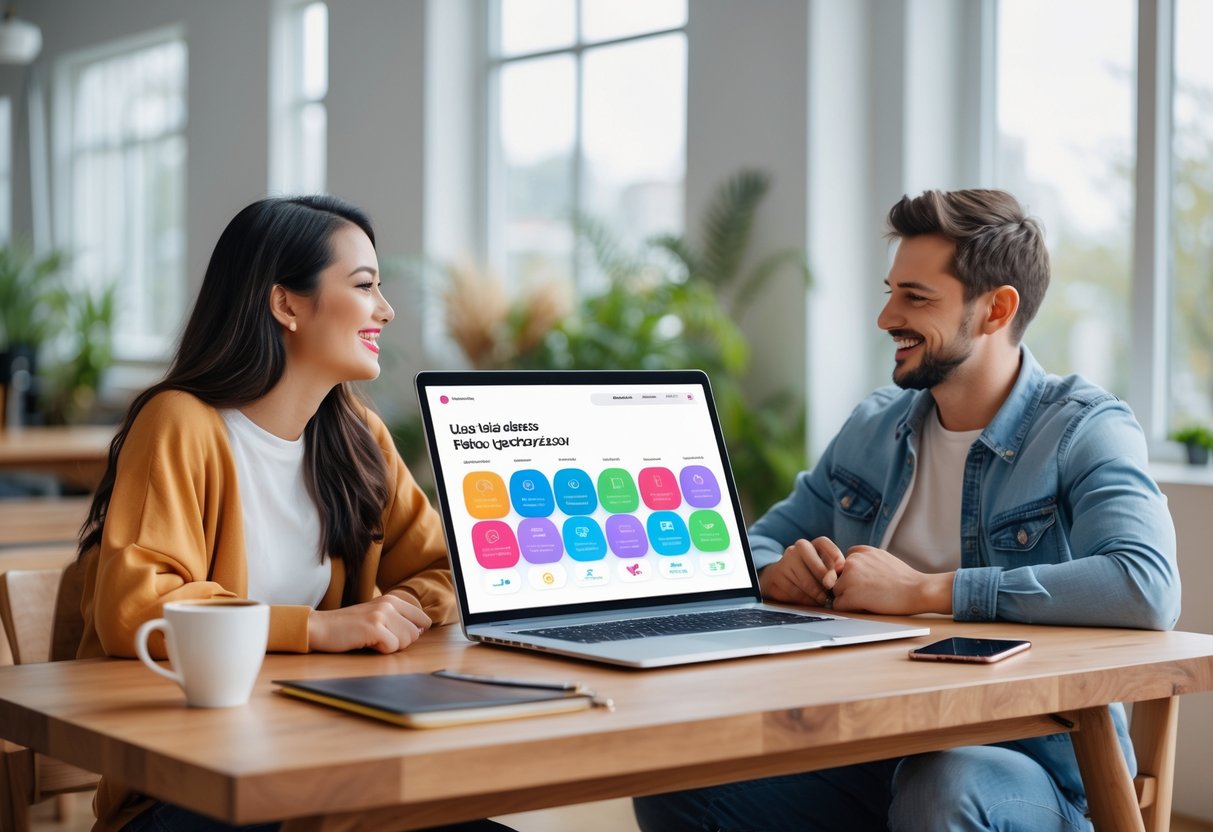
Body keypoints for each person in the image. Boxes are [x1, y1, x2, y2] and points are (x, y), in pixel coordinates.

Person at [633, 188, 1181, 832]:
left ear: (995, 309)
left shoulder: (1083, 427)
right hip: (871, 747)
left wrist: (924, 590)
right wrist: (773, 571)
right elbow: (739, 548)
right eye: (891, 290)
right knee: (678, 779)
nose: (886, 315)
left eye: (916, 297)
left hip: (1027, 767)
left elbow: (1145, 584)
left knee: (942, 784)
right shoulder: (873, 427)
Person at [74, 196, 507, 832]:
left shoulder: (357, 434)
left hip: (325, 762)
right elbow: (134, 608)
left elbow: (449, 568)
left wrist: (393, 614)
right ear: (286, 304)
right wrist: (317, 628)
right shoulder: (180, 424)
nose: (384, 310)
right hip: (188, 789)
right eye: (364, 286)